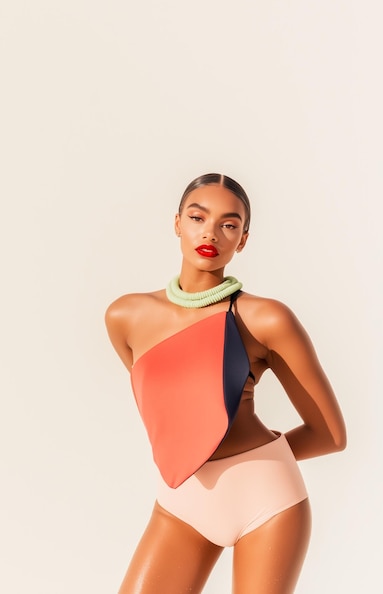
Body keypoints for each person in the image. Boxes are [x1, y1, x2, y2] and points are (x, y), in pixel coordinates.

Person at [105, 173, 347, 594]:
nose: (211, 233)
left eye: (229, 224)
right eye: (198, 218)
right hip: (180, 501)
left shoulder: (266, 319)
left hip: (266, 502)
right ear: (177, 222)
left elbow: (330, 435)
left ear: (244, 239)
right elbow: (175, 412)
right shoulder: (125, 317)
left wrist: (253, 464)